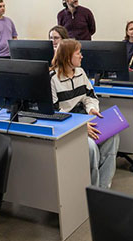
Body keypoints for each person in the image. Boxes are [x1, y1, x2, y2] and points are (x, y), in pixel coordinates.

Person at [49, 39, 119, 188]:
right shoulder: (52, 79)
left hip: (84, 117)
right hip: (67, 124)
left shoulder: (80, 72)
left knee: (112, 135)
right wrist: (80, 127)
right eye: (78, 53)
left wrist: (91, 109)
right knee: (91, 148)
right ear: (68, 57)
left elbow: (90, 96)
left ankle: (103, 186)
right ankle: (93, 189)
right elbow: (54, 111)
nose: (81, 56)